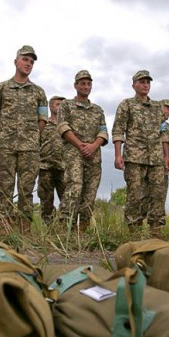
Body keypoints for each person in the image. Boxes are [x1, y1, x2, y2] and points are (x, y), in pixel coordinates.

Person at [0, 45, 48, 233]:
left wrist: (30, 136)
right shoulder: (0, 88)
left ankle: (24, 230)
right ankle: (4, 230)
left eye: (31, 62)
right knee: (4, 189)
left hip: (29, 149)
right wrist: (6, 133)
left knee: (26, 190)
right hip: (5, 147)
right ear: (16, 62)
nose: (28, 64)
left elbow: (43, 119)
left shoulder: (38, 92)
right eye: (25, 60)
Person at [112, 70, 169, 238]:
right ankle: (134, 234)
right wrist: (118, 155)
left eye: (148, 82)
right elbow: (118, 130)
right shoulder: (127, 105)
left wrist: (166, 155)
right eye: (142, 82)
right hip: (134, 158)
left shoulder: (158, 107)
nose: (146, 85)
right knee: (134, 195)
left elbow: (164, 133)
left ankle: (156, 233)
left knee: (158, 195)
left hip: (156, 158)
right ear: (134, 85)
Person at [57, 70, 108, 231]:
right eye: (83, 83)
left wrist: (93, 146)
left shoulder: (97, 110)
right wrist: (80, 145)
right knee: (75, 188)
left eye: (88, 84)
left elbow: (103, 131)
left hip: (94, 155)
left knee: (90, 192)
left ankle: (83, 230)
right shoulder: (66, 105)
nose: (86, 86)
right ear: (75, 85)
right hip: (74, 153)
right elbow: (63, 127)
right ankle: (65, 228)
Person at [38, 95, 66, 223]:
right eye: (57, 104)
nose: (60, 107)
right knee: (46, 199)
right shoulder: (43, 124)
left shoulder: (66, 126)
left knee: (67, 197)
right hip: (45, 166)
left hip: (63, 166)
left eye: (62, 104)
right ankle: (48, 226)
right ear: (50, 106)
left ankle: (65, 225)